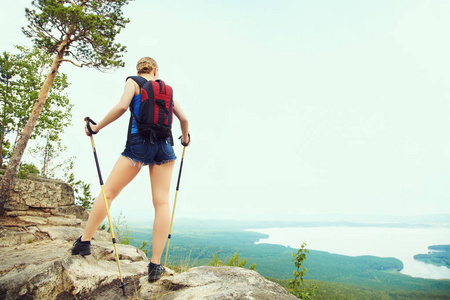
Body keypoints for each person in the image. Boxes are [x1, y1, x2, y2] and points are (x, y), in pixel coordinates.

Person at [71, 57, 190, 283]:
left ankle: (84, 242)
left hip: (139, 145)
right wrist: (185, 139)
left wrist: (95, 128)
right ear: (155, 70)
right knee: (161, 202)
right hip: (165, 148)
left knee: (108, 193)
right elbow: (183, 118)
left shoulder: (133, 82)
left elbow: (122, 107)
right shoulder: (166, 89)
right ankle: (155, 265)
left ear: (140, 69)